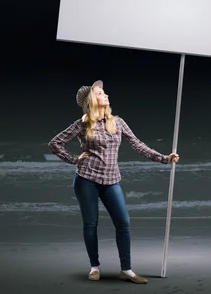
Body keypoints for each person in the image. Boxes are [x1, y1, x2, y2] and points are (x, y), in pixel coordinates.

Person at [47, 80, 180, 284]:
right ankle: (94, 267)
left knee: (123, 223)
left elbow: (138, 144)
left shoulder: (117, 122)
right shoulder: (82, 124)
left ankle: (126, 269)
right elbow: (55, 143)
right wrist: (74, 159)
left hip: (111, 180)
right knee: (91, 223)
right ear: (91, 100)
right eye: (100, 93)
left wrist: (164, 158)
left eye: (104, 92)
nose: (106, 95)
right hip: (86, 179)